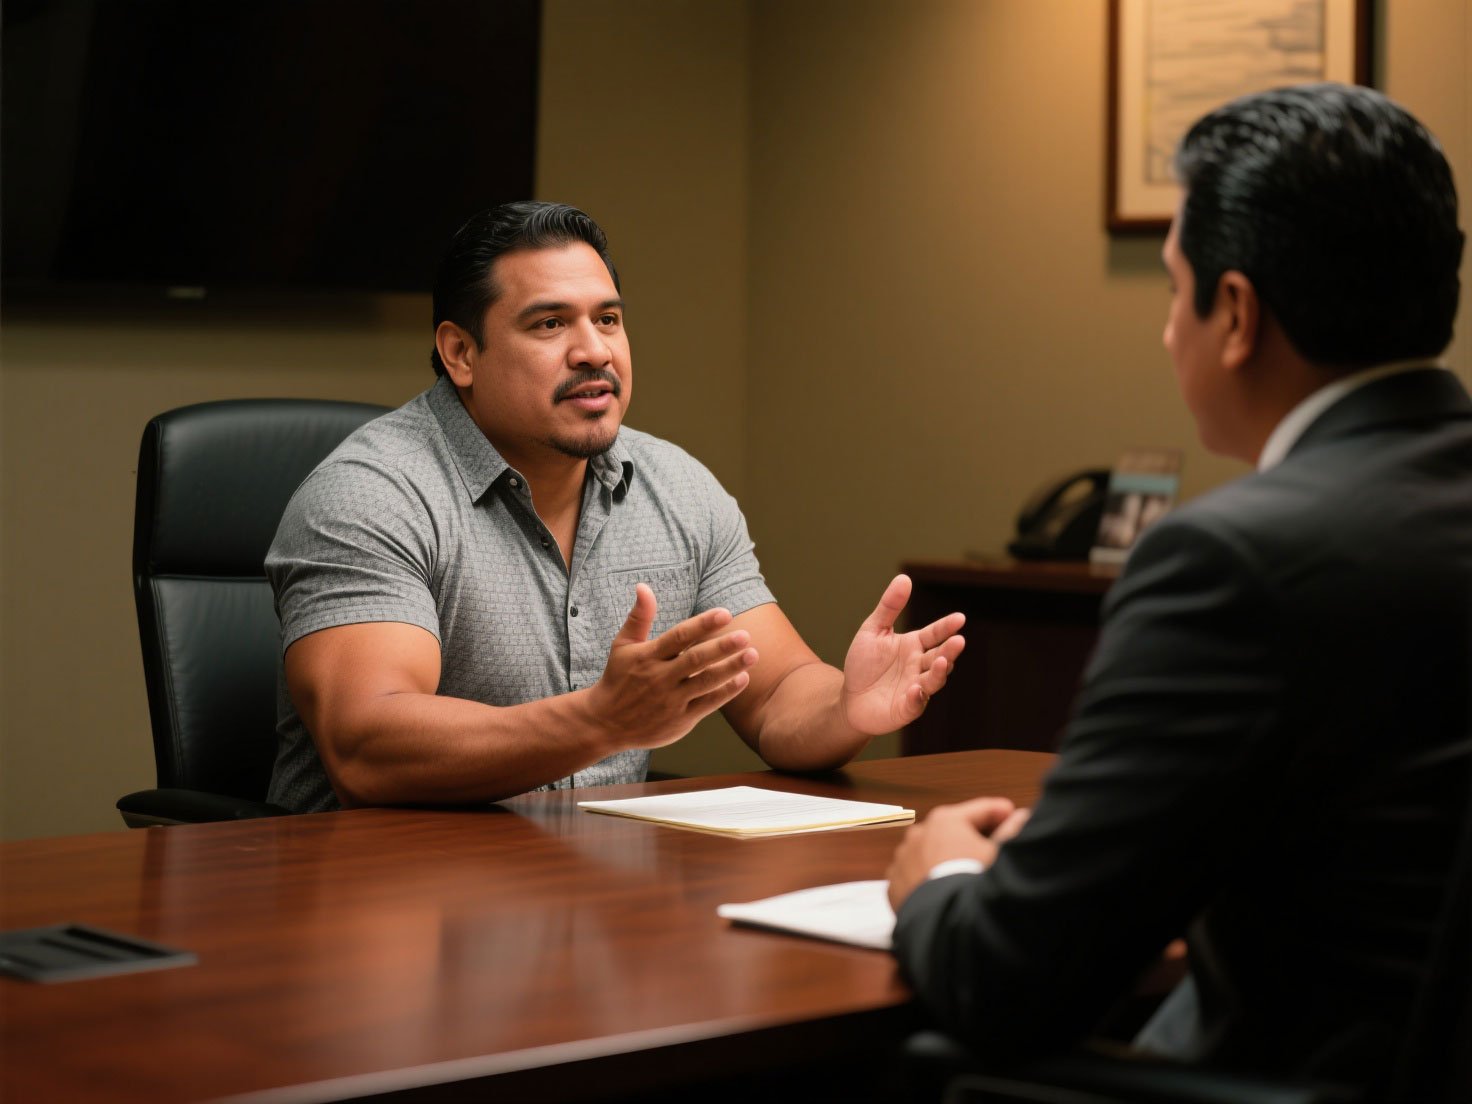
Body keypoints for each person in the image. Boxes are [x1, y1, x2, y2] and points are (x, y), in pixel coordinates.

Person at [886, 83, 1472, 1095]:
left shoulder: (1231, 562)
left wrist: (938, 875)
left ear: (1234, 313)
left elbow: (1007, 980)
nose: (1166, 332)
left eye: (1172, 290)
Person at [266, 201, 965, 812]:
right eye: (549, 324)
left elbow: (780, 694)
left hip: (587, 886)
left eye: (608, 319)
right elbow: (368, 747)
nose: (594, 351)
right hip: (377, 893)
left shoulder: (679, 489)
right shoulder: (373, 494)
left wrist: (846, 709)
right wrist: (600, 720)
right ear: (460, 353)